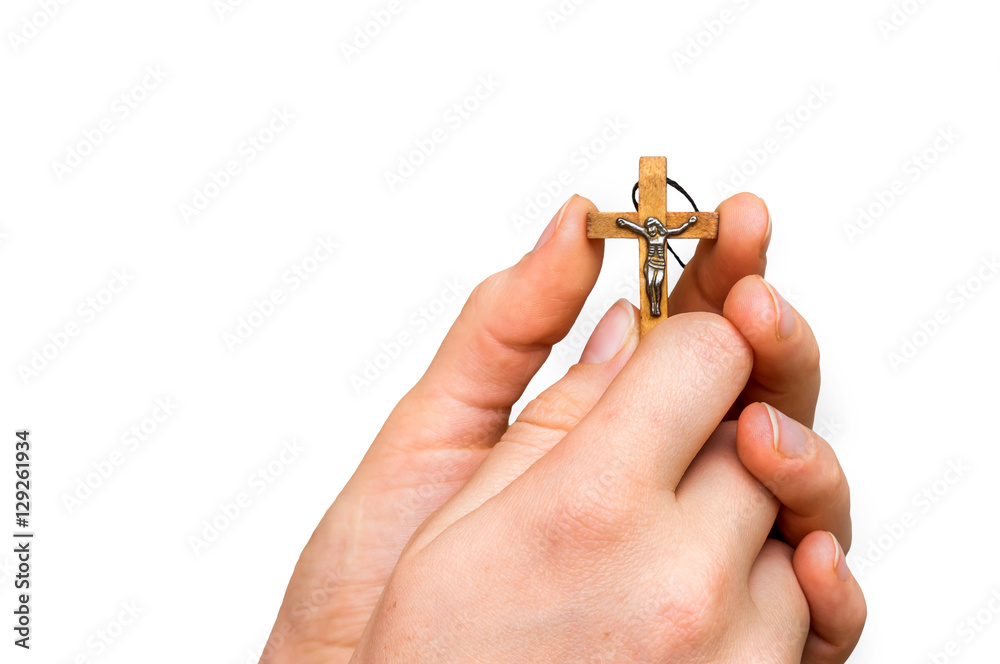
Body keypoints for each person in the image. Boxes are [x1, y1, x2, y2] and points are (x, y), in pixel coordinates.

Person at [260, 194, 866, 663]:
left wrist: (313, 654)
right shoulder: (640, 227)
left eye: (659, 227)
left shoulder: (670, 228)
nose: (653, 230)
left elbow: (687, 225)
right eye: (648, 226)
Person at [616, 215, 697, 316]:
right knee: (650, 284)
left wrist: (689, 223)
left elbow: (678, 230)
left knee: (657, 284)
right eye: (648, 228)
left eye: (652, 227)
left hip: (660, 264)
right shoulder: (647, 235)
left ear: (657, 226)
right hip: (650, 264)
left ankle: (657, 306)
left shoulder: (664, 235)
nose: (650, 230)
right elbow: (636, 228)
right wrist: (625, 223)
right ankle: (652, 306)